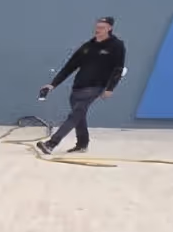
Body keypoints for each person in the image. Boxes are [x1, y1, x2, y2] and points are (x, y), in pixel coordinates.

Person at [37, 17, 124, 154]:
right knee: (79, 116)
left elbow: (118, 69)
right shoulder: (88, 46)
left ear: (109, 28)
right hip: (78, 87)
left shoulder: (116, 46)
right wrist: (53, 84)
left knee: (75, 115)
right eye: (97, 26)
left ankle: (51, 144)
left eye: (102, 27)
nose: (98, 30)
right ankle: (82, 144)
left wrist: (110, 88)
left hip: (96, 86)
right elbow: (69, 67)